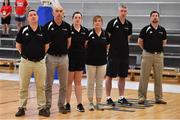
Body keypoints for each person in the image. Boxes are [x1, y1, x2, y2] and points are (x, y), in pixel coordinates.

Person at [15, 9, 50, 117]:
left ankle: (42, 108)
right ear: (28, 18)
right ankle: (21, 107)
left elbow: (47, 46)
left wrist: (40, 56)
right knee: (23, 86)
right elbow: (18, 45)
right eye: (31, 15)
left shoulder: (43, 30)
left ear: (38, 17)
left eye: (35, 15)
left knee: (41, 86)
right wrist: (24, 56)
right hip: (26, 62)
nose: (33, 16)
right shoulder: (23, 30)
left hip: (39, 63)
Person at [44, 4, 71, 114]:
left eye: (61, 11)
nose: (59, 13)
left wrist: (63, 52)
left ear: (63, 13)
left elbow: (69, 42)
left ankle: (61, 105)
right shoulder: (47, 26)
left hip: (64, 58)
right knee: (48, 84)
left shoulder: (67, 26)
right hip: (51, 58)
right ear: (53, 13)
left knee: (63, 84)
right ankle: (47, 106)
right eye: (57, 11)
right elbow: (45, 43)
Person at [137, 10, 167, 104]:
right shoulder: (145, 29)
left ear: (158, 18)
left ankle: (159, 98)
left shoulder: (162, 30)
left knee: (158, 77)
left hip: (159, 56)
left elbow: (164, 43)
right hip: (147, 55)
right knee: (144, 77)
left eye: (156, 15)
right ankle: (142, 97)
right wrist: (146, 50)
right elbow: (139, 42)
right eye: (153, 16)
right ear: (150, 18)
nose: (155, 17)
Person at [105, 5, 132, 105]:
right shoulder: (112, 23)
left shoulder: (129, 24)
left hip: (124, 54)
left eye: (125, 11)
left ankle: (121, 97)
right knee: (109, 76)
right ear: (118, 11)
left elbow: (128, 38)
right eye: (121, 11)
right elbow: (107, 38)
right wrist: (111, 49)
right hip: (113, 54)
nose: (123, 13)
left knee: (122, 76)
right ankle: (108, 97)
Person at [65, 11, 88, 112]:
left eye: (79, 17)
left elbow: (86, 45)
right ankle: (67, 104)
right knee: (69, 82)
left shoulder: (85, 31)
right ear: (72, 19)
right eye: (76, 17)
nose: (77, 19)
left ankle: (79, 104)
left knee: (78, 82)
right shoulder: (68, 30)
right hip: (70, 59)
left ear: (81, 19)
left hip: (80, 59)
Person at [86, 15, 109, 111]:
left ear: (101, 23)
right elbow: (85, 46)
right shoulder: (89, 33)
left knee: (99, 83)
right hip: (90, 62)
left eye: (99, 21)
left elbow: (108, 47)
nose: (97, 22)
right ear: (93, 23)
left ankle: (98, 103)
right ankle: (90, 103)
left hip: (102, 62)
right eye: (95, 21)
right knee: (90, 83)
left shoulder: (105, 34)